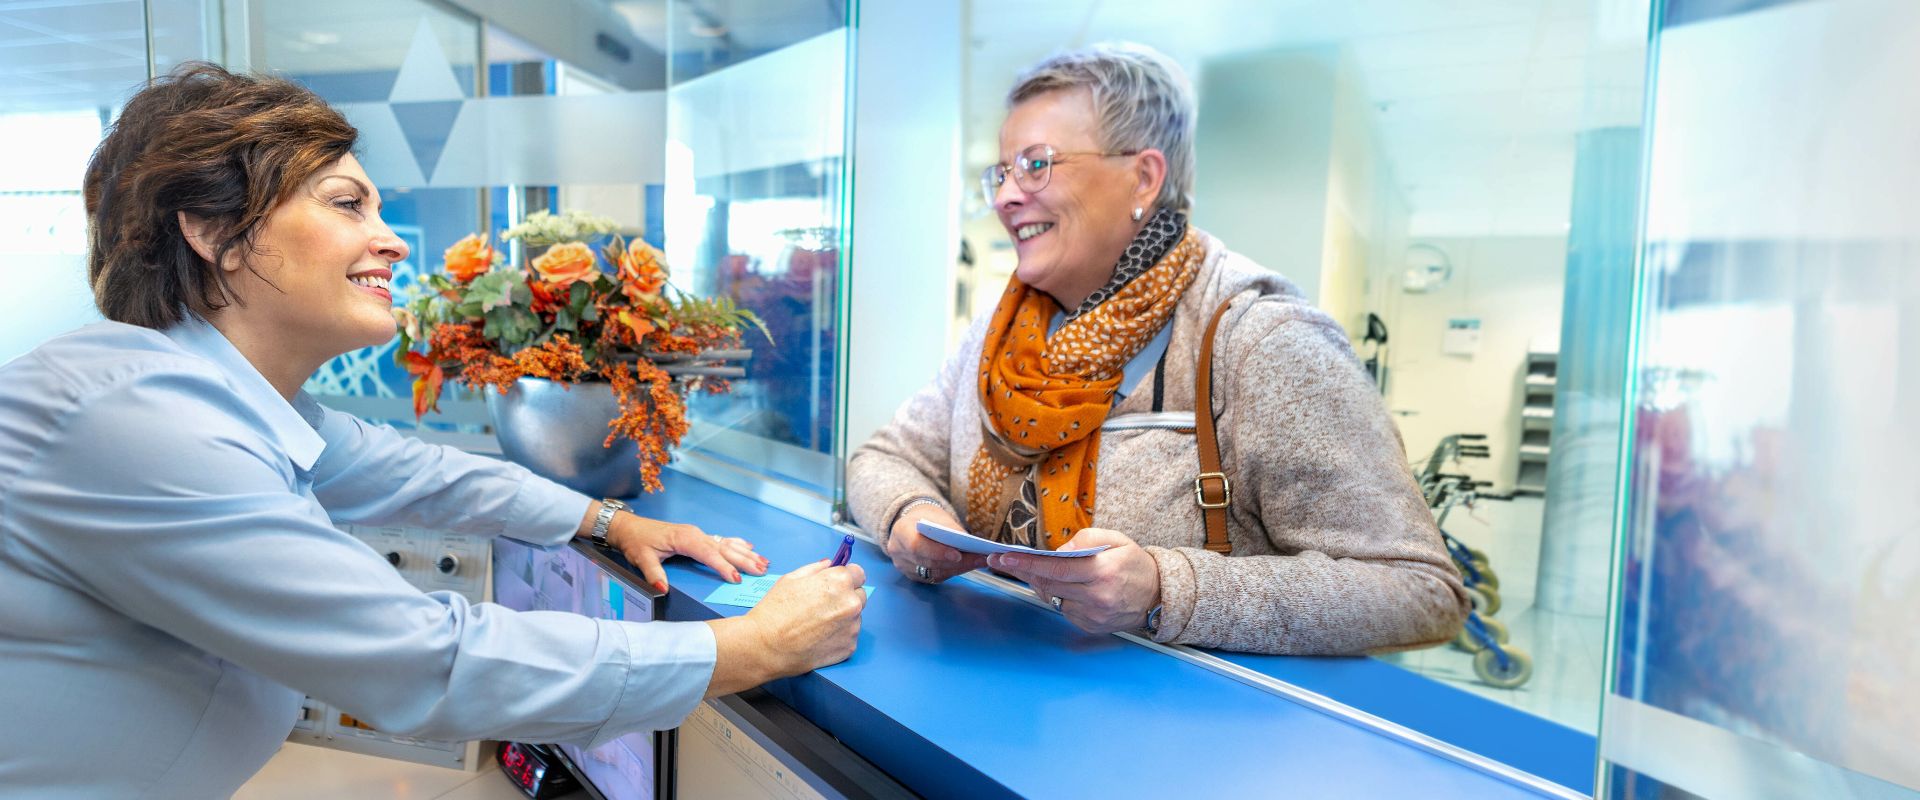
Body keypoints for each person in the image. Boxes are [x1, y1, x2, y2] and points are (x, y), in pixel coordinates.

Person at [0, 64, 866, 797]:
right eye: (348, 204)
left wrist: (608, 521)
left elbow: (417, 472)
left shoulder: (211, 398)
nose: (392, 241)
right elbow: (427, 661)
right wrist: (753, 646)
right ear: (216, 231)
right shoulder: (133, 423)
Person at [847, 44, 1467, 656]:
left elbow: (1417, 591)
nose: (1007, 196)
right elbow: (883, 458)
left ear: (1143, 176)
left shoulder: (1262, 340)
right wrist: (911, 514)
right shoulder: (999, 331)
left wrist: (1168, 589)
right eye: (1002, 172)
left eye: (1036, 165)